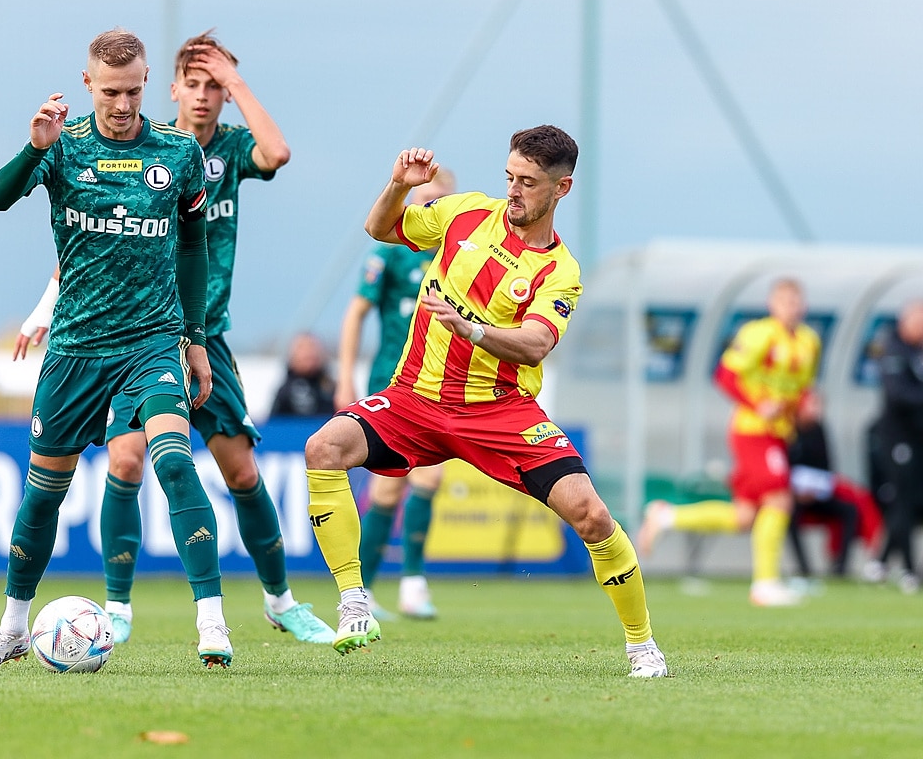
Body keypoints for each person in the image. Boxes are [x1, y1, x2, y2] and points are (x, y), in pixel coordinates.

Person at [304, 128, 668, 678]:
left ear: (561, 188)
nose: (514, 191)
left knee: (592, 516)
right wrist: (398, 186)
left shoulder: (559, 271)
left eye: (528, 183)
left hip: (500, 411)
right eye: (510, 178)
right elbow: (380, 228)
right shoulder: (466, 213)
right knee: (323, 446)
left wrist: (471, 330)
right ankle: (355, 601)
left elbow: (536, 343)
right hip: (415, 398)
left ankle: (642, 646)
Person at [12, 30, 334, 648]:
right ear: (172, 90)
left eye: (217, 86)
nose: (207, 96)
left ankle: (281, 601)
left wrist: (239, 83)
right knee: (129, 460)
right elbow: (102, 241)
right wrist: (43, 309)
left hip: (205, 336)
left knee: (240, 471)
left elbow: (279, 152)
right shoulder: (143, 147)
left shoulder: (227, 152)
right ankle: (118, 607)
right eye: (196, 84)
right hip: (143, 337)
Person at [0, 28, 234, 670]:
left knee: (172, 461)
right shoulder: (63, 148)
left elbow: (192, 245)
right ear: (88, 85)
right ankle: (11, 628)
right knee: (45, 491)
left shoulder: (177, 151)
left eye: (134, 90)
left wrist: (193, 341)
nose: (122, 103)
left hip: (150, 342)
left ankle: (213, 624)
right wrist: (34, 148)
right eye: (111, 91)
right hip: (76, 348)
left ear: (145, 84)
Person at [639, 278, 820, 607]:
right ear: (772, 304)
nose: (791, 308)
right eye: (785, 301)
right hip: (752, 430)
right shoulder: (758, 334)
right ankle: (765, 585)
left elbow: (802, 388)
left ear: (803, 306)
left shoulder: (809, 342)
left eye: (796, 302)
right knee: (779, 497)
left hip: (779, 433)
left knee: (744, 516)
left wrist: (805, 407)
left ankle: (666, 517)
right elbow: (725, 375)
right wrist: (758, 405)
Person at [333, 169, 457, 620]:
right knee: (388, 491)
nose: (432, 207)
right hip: (392, 381)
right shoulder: (387, 253)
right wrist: (345, 376)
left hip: (441, 383)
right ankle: (364, 591)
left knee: (428, 479)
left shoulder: (459, 257)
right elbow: (356, 313)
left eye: (441, 199)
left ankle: (409, 584)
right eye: (425, 198)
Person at [785, 391, 879, 581]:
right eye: (812, 405)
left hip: (817, 493)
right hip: (792, 495)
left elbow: (827, 467)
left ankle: (840, 567)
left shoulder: (819, 430)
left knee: (850, 511)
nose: (816, 411)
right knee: (788, 516)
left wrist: (817, 488)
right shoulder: (787, 430)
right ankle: (804, 569)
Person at [864, 300, 923, 594]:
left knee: (911, 501)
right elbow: (898, 394)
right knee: (903, 500)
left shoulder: (918, 351)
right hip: (897, 437)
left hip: (918, 437)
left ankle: (880, 562)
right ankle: (910, 571)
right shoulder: (893, 349)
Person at [269, 332, 336, 417]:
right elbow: (274, 424)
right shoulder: (285, 392)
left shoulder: (332, 389)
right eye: (302, 348)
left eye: (312, 347)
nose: (309, 353)